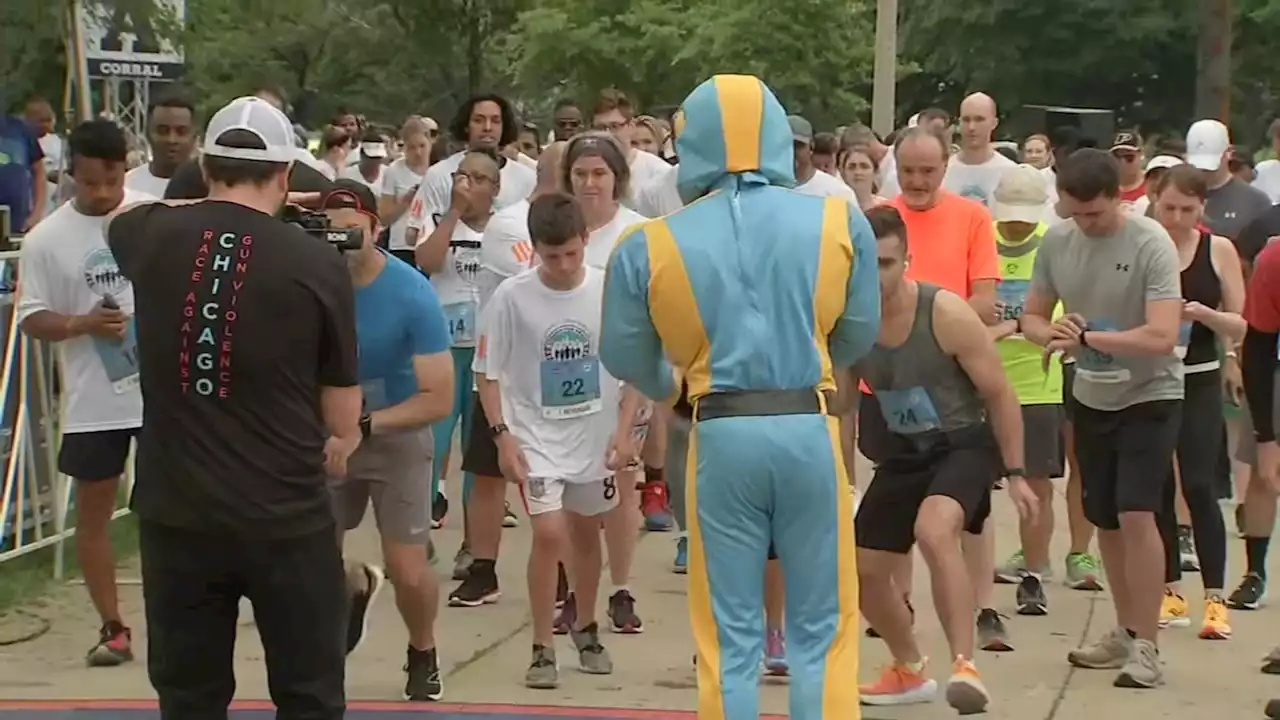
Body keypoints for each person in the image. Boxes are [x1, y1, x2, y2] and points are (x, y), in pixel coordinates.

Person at [601, 74, 880, 720]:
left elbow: (622, 352)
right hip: (807, 424)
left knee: (727, 635)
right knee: (823, 629)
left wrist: (674, 390)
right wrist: (814, 374)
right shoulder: (840, 219)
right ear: (780, 135)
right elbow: (859, 328)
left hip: (720, 430)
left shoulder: (648, 243)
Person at [104, 96, 359, 719]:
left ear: (204, 165)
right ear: (284, 176)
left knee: (190, 697)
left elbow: (131, 213)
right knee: (308, 695)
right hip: (284, 517)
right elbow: (342, 417)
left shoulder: (147, 236)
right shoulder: (316, 262)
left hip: (179, 514)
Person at [850, 206, 1031, 714]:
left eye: (886, 263)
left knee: (934, 529)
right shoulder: (851, 323)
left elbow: (999, 394)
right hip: (904, 451)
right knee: (861, 568)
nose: (875, 274)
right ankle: (908, 668)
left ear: (906, 260)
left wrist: (1016, 474)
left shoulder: (945, 312)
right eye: (866, 262)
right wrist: (840, 478)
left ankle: (964, 665)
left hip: (963, 444)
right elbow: (842, 408)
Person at [1021, 148, 1184, 690]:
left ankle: (1150, 646)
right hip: (1091, 395)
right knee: (1107, 517)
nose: (1085, 224)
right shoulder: (1058, 241)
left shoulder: (1149, 242)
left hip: (1150, 394)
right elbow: (1033, 316)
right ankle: (1127, 627)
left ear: (1118, 196)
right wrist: (1054, 336)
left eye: (1095, 213)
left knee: (1139, 513)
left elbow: (1162, 336)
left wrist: (1090, 339)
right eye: (1075, 214)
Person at [475, 192, 642, 689]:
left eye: (571, 253)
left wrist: (625, 429)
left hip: (595, 435)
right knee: (549, 534)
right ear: (534, 250)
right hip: (535, 434)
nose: (564, 265)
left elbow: (634, 368)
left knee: (587, 534)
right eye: (552, 256)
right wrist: (503, 437)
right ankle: (542, 646)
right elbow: (488, 373)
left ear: (585, 241)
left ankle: (586, 625)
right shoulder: (511, 297)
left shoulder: (610, 290)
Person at [16, 119, 151, 667]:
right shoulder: (45, 239)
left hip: (162, 393)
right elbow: (31, 319)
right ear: (70, 176)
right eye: (90, 182)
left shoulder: (150, 217)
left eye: (112, 180)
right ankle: (113, 627)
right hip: (96, 402)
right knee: (93, 516)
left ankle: (185, 614)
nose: (102, 193)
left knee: (178, 510)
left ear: (126, 169)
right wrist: (82, 324)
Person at [319, 180, 454, 700]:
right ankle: (344, 600)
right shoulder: (307, 285)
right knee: (305, 555)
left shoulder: (410, 292)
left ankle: (423, 649)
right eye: (332, 236)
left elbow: (438, 398)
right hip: (329, 431)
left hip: (393, 430)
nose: (344, 246)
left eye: (354, 233)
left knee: (406, 565)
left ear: (377, 229)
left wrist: (367, 427)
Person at [448, 142, 568, 609]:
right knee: (487, 470)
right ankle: (482, 568)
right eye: (574, 172)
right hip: (502, 366)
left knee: (556, 471)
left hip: (555, 367)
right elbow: (541, 275)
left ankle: (559, 570)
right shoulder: (509, 223)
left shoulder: (577, 224)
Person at [1147, 165, 1244, 638]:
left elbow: (1242, 324)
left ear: (1202, 208)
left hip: (1199, 376)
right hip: (1152, 378)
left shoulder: (1217, 250)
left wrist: (1205, 313)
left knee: (1200, 485)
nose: (1177, 218)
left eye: (1188, 209)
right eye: (1169, 208)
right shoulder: (1143, 244)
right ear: (1154, 201)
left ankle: (1215, 596)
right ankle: (1170, 588)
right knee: (1159, 484)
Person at [416, 149, 500, 581]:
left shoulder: (506, 228)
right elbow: (427, 262)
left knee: (476, 450)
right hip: (445, 345)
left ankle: (473, 545)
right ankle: (417, 532)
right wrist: (452, 214)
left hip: (486, 350)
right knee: (433, 441)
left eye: (479, 178)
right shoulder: (438, 219)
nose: (468, 184)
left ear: (496, 188)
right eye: (461, 175)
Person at [125, 90, 197, 198]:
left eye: (181, 132)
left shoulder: (211, 188)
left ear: (194, 136)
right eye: (162, 131)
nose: (171, 140)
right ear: (147, 134)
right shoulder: (127, 186)